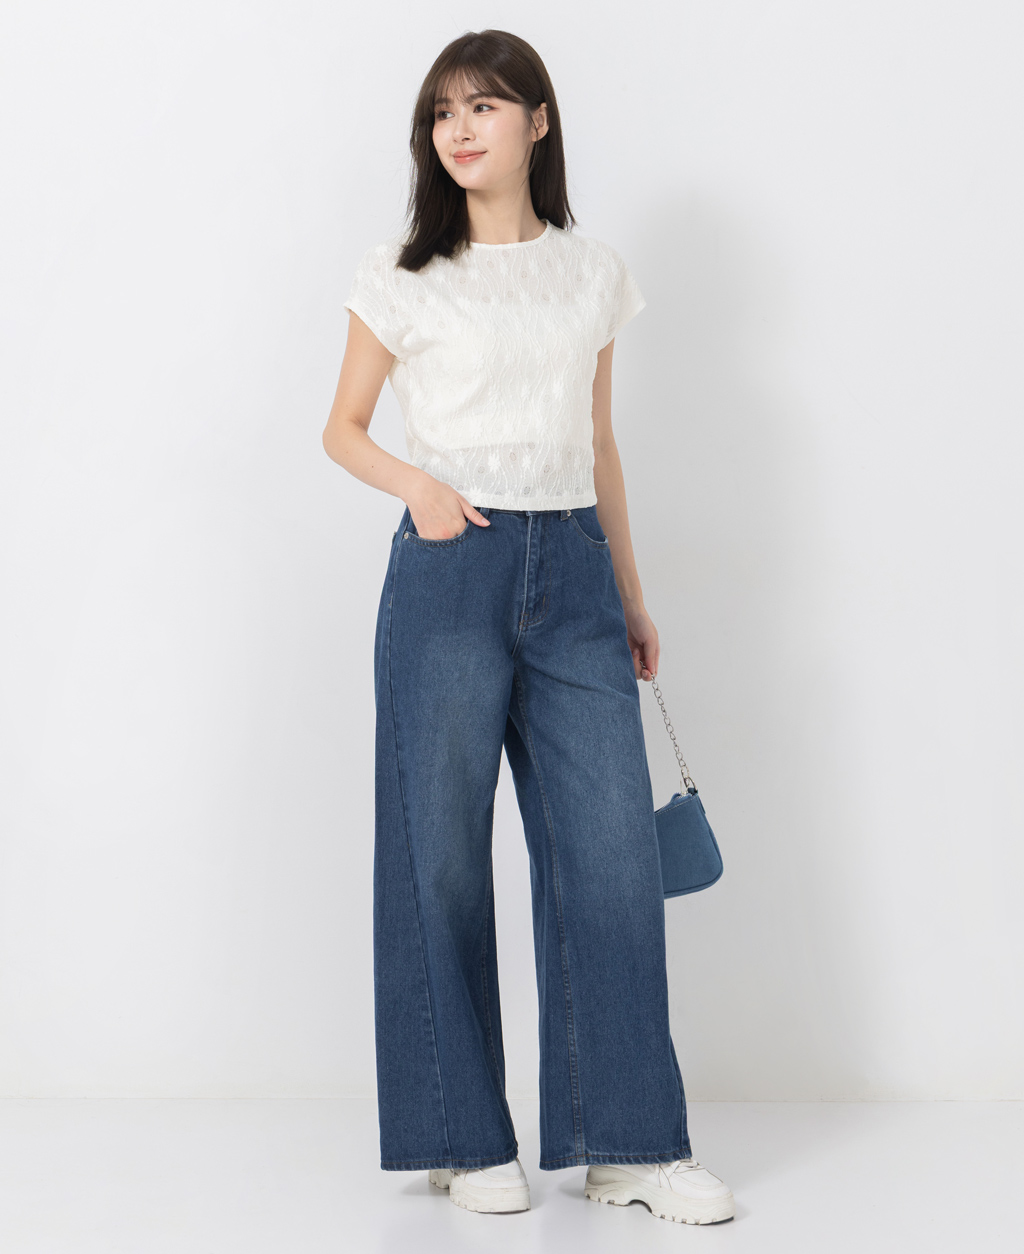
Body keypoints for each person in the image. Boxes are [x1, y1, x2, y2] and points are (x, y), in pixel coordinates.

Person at [321, 29, 735, 1227]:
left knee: (608, 857)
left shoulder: (591, 272)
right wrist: (419, 488)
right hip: (450, 567)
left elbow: (599, 443)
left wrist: (630, 594)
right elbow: (342, 427)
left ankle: (629, 1144)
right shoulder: (401, 273)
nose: (459, 129)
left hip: (576, 578)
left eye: (485, 106)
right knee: (440, 857)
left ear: (537, 122)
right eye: (442, 112)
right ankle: (462, 1137)